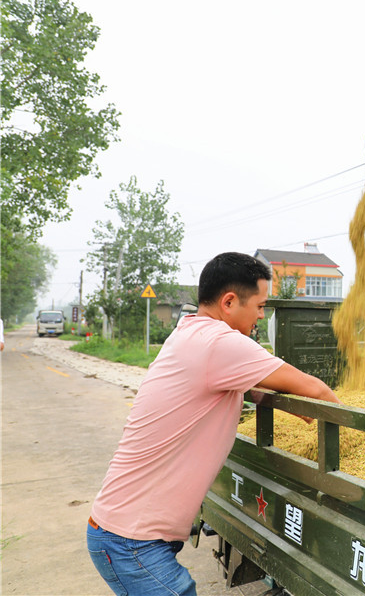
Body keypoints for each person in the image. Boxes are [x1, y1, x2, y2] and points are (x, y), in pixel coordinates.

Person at [86, 252, 342, 596]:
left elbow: (257, 387)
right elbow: (317, 390)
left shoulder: (190, 333)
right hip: (132, 543)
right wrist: (362, 429)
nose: (261, 316)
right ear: (229, 302)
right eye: (260, 306)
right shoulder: (221, 343)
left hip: (125, 534)